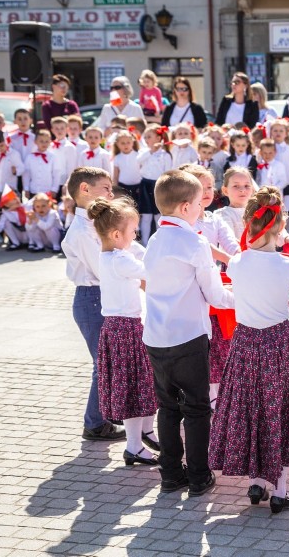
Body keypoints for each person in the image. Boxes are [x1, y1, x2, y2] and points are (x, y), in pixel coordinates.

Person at [209, 186, 289, 510]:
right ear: (281, 227)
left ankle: (255, 483)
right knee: (277, 413)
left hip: (245, 343)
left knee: (251, 410)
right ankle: (280, 490)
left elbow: (250, 296)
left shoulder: (236, 264)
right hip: (278, 346)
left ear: (247, 225)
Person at [142, 169, 235, 497]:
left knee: (168, 408)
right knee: (196, 408)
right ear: (184, 207)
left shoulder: (154, 239)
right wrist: (247, 297)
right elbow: (216, 296)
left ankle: (170, 475)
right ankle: (198, 475)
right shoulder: (194, 242)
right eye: (198, 204)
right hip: (188, 337)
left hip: (155, 338)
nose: (202, 209)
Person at [89, 196, 159, 467]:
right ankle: (133, 446)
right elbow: (151, 272)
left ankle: (137, 442)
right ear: (117, 234)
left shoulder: (108, 255)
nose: (135, 236)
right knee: (135, 388)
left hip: (116, 328)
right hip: (126, 329)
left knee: (136, 387)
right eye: (133, 232)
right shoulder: (121, 259)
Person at [60, 167, 126, 442]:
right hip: (92, 297)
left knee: (108, 362)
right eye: (106, 188)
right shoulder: (82, 230)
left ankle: (106, 413)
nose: (111, 193)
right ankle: (95, 423)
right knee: (103, 364)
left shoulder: (96, 223)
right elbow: (102, 269)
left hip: (103, 296)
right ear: (84, 189)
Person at [181, 164, 240, 409]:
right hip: (191, 290)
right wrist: (231, 260)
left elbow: (231, 245)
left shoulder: (214, 219)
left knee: (219, 344)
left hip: (214, 289)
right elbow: (203, 246)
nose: (206, 192)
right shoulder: (184, 223)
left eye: (209, 187)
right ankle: (199, 395)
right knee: (197, 346)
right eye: (199, 187)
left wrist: (241, 258)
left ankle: (216, 394)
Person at [136, 125, 173, 241]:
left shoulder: (165, 154)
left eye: (149, 137)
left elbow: (168, 172)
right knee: (146, 216)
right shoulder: (144, 152)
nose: (146, 140)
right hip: (145, 185)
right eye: (145, 137)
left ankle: (159, 241)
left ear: (158, 138)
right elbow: (138, 160)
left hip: (158, 186)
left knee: (158, 215)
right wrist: (151, 151)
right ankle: (145, 243)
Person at [215, 167, 256, 241]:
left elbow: (277, 237)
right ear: (225, 190)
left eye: (246, 186)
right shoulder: (222, 214)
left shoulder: (259, 213)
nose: (242, 190)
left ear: (252, 190)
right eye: (236, 186)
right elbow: (229, 240)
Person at [23, 130, 64, 198]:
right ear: (35, 142)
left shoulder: (53, 157)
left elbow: (56, 174)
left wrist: (54, 189)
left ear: (50, 142)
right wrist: (26, 188)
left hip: (47, 191)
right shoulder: (30, 157)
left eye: (47, 141)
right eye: (41, 141)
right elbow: (26, 174)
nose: (44, 144)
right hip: (33, 190)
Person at [112, 129, 141, 202]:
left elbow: (143, 172)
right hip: (123, 186)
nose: (126, 145)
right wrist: (115, 189)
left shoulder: (138, 155)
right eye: (122, 143)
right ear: (117, 144)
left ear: (133, 142)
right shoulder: (117, 157)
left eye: (128, 142)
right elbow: (115, 176)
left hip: (137, 186)